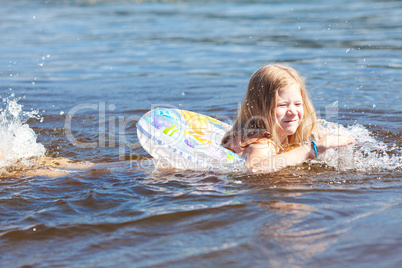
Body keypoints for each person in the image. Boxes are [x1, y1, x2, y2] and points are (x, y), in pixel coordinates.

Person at [221, 64, 355, 173]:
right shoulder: (261, 142)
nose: (292, 112)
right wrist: (312, 148)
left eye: (297, 104)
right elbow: (254, 168)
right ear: (258, 109)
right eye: (282, 105)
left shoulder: (286, 132)